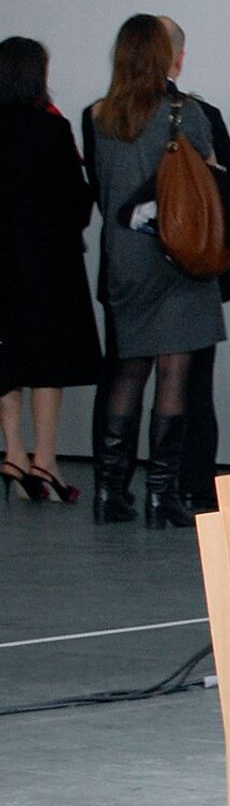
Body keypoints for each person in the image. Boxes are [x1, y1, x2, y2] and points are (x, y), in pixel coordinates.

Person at [84, 14, 225, 528]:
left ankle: (108, 492)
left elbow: (103, 190)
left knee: (127, 371)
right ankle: (161, 496)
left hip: (122, 259)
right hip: (177, 256)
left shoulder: (98, 117)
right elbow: (206, 182)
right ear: (166, 57)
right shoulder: (184, 114)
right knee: (174, 374)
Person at [0, 36, 100, 506]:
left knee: (7, 362)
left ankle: (13, 455)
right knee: (46, 363)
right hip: (47, 265)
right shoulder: (50, 129)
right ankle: (45, 458)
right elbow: (78, 201)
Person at [157, 17, 230, 512]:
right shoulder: (198, 114)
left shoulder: (106, 116)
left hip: (174, 269)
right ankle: (187, 485)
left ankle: (144, 490)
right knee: (191, 383)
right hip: (193, 268)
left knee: (139, 379)